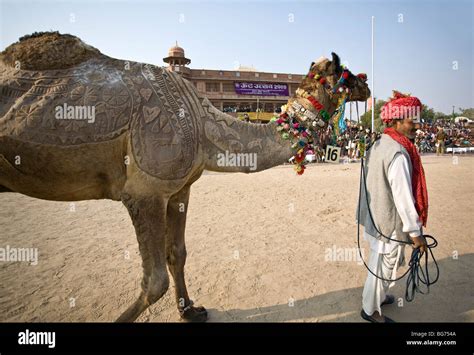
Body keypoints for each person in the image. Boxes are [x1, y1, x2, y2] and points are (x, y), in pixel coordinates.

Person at [357, 91, 429, 323]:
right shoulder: (397, 153)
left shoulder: (381, 143)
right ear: (397, 121)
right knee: (382, 268)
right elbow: (403, 198)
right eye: (411, 121)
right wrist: (416, 234)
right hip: (387, 222)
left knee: (381, 264)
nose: (416, 126)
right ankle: (370, 311)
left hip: (375, 218)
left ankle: (377, 296)